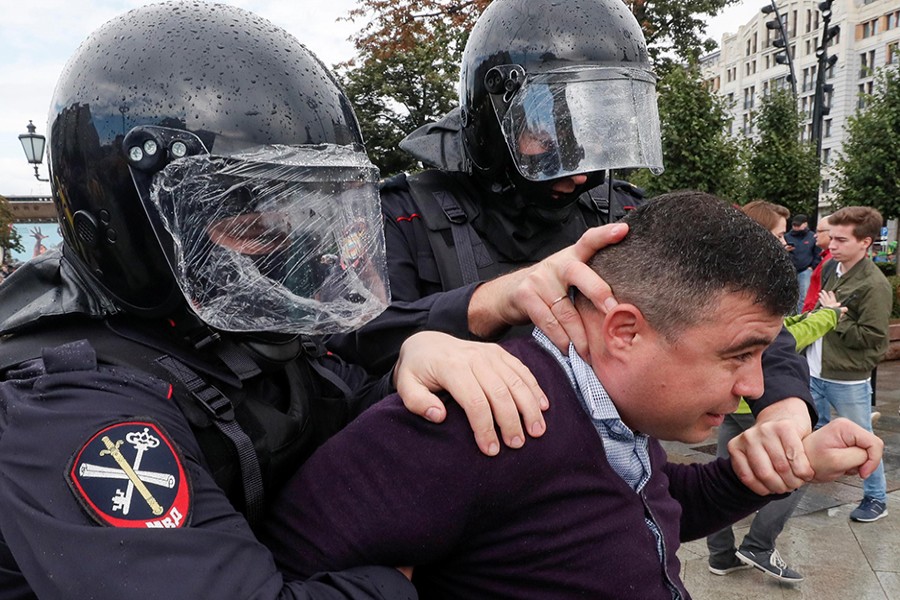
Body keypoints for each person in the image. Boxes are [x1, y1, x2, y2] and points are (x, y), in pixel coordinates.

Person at [0, 4, 560, 597]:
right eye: (260, 230)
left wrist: (411, 363)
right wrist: (397, 584)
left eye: (310, 220)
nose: (305, 257)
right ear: (133, 226)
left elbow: (332, 404)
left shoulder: (230, 338)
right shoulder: (72, 413)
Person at [261, 192, 882, 599]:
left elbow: (643, 509)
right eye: (736, 355)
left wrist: (765, 472)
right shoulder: (476, 417)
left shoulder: (611, 408)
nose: (751, 388)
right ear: (625, 330)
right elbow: (289, 565)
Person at [328, 0, 824, 493]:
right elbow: (347, 348)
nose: (581, 172)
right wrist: (492, 301)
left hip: (594, 486)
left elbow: (738, 310)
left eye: (590, 140)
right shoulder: (405, 213)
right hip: (439, 490)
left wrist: (783, 405)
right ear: (489, 121)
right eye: (545, 141)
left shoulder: (616, 211)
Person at [707, 200, 845, 583]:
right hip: (759, 404)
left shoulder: (728, 274)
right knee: (796, 472)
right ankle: (759, 545)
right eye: (778, 235)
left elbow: (782, 329)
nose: (784, 244)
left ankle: (719, 555)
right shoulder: (755, 280)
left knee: (724, 469)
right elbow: (779, 340)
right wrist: (828, 317)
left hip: (735, 404)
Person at [808, 206, 893, 523]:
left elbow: (873, 338)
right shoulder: (832, 268)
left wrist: (836, 317)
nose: (832, 244)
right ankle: (805, 481)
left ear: (865, 242)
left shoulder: (874, 285)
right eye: (832, 237)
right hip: (815, 368)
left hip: (847, 378)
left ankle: (876, 498)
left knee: (864, 436)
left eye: (841, 240)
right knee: (812, 429)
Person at [786, 214, 821, 313]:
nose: (796, 227)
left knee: (803, 297)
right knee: (789, 296)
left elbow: (817, 253)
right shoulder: (787, 237)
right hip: (790, 270)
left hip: (805, 271)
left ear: (805, 224)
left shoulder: (812, 237)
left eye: (798, 225)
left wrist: (812, 267)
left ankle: (801, 317)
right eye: (794, 225)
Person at [802, 216, 833, 312]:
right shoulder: (828, 258)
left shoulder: (832, 260)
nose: (815, 235)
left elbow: (820, 293)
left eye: (819, 231)